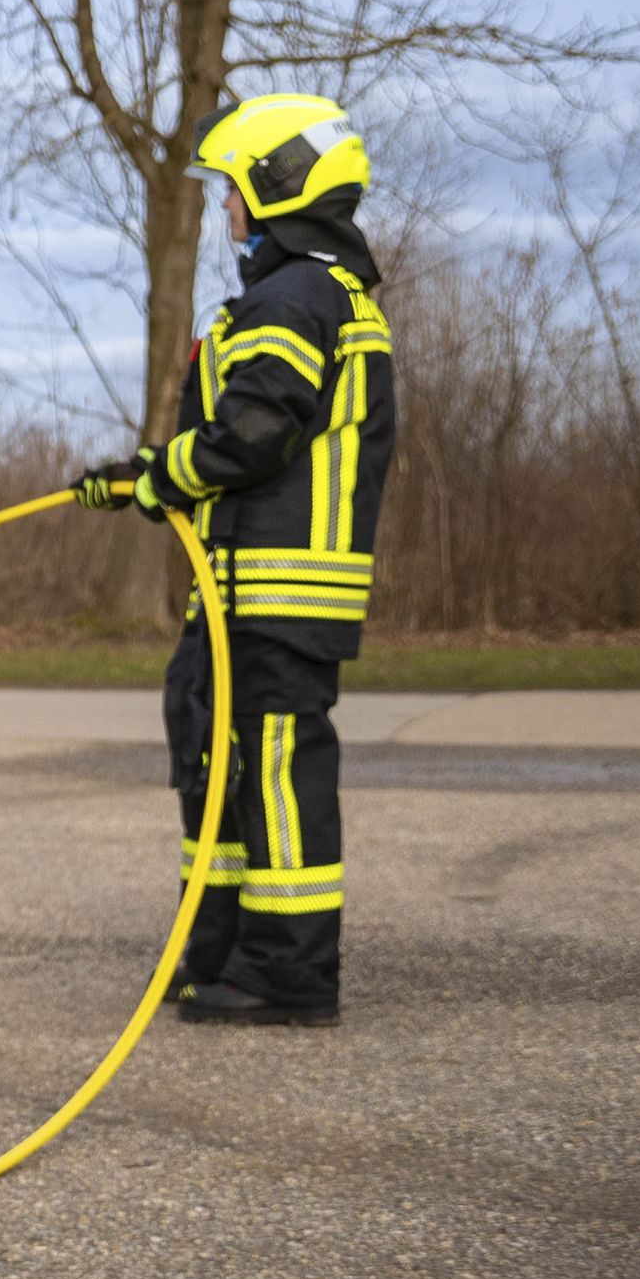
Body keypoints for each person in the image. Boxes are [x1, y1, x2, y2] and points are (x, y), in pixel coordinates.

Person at [70, 94, 394, 1027]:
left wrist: (155, 478)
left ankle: (288, 971)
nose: (224, 211)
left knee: (278, 769)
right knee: (214, 755)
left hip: (278, 589)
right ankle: (210, 946)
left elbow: (252, 434)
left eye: (229, 192)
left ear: (273, 186)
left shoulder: (296, 295)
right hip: (238, 588)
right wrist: (146, 477)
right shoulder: (306, 291)